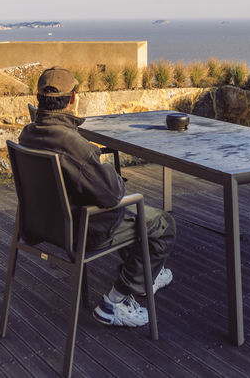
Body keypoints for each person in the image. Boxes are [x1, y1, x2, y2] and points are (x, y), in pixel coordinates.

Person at [18, 66, 176, 327]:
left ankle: (146, 273)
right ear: (72, 98)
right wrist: (103, 166)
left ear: (39, 99)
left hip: (44, 226)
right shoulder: (72, 144)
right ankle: (116, 301)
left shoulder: (29, 134)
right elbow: (112, 195)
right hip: (84, 230)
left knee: (136, 218)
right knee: (162, 224)